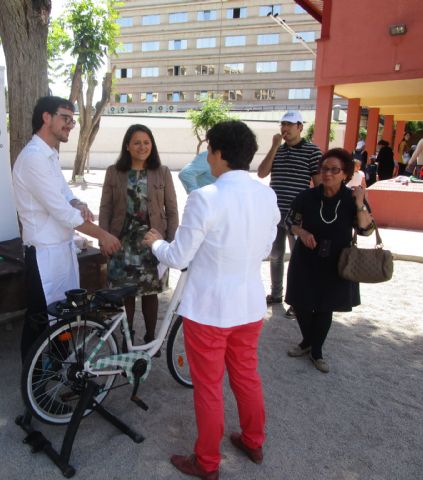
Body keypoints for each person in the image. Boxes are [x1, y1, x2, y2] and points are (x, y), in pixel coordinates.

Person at [144, 120, 279, 480]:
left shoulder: (205, 197)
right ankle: (253, 439)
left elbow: (178, 257)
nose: (207, 156)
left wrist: (155, 242)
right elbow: (265, 248)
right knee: (247, 376)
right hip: (249, 306)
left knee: (208, 387)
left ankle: (206, 462)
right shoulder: (266, 195)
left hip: (209, 310)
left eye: (209, 150)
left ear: (217, 154)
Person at [12, 96, 121, 360]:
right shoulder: (33, 158)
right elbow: (62, 213)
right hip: (43, 255)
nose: (70, 124)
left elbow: (64, 196)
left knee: (66, 318)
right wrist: (102, 235)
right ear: (46, 118)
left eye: (73, 119)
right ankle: (34, 389)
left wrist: (78, 201)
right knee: (40, 322)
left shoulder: (48, 155)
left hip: (61, 250)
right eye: (65, 117)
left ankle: (62, 372)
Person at [285, 148, 375, 373]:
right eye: (324, 168)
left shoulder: (351, 198)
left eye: (335, 170)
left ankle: (316, 351)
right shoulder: (307, 196)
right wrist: (302, 233)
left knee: (325, 306)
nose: (328, 174)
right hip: (306, 257)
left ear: (345, 173)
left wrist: (360, 203)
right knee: (300, 302)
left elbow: (366, 230)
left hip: (337, 259)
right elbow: (289, 222)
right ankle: (308, 341)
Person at [99, 124, 178, 347]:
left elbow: (171, 209)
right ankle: (127, 336)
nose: (142, 147)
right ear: (127, 146)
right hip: (121, 242)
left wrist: (170, 241)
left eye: (146, 142)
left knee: (151, 293)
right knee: (126, 294)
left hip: (152, 243)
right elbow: (105, 207)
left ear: (152, 145)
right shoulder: (114, 172)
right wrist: (103, 237)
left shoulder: (162, 172)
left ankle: (151, 337)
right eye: (137, 142)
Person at [257, 111, 321, 318]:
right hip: (275, 213)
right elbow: (261, 173)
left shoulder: (312, 151)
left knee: (298, 259)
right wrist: (274, 147)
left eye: (289, 124)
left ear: (300, 127)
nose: (285, 128)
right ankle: (276, 294)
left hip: (298, 216)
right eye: (282, 124)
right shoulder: (278, 150)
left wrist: (312, 212)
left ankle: (297, 300)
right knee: (275, 256)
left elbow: (319, 184)